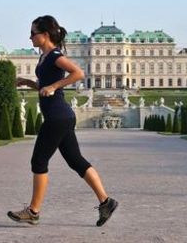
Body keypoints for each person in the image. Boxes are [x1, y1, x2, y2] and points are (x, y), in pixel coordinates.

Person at [8, 15, 118, 227]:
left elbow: (78, 73)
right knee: (76, 161)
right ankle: (106, 202)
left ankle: (33, 211)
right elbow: (44, 87)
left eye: (33, 33)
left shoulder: (55, 55)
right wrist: (28, 82)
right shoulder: (44, 57)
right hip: (62, 115)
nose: (30, 37)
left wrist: (54, 86)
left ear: (45, 35)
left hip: (58, 116)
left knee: (38, 161)